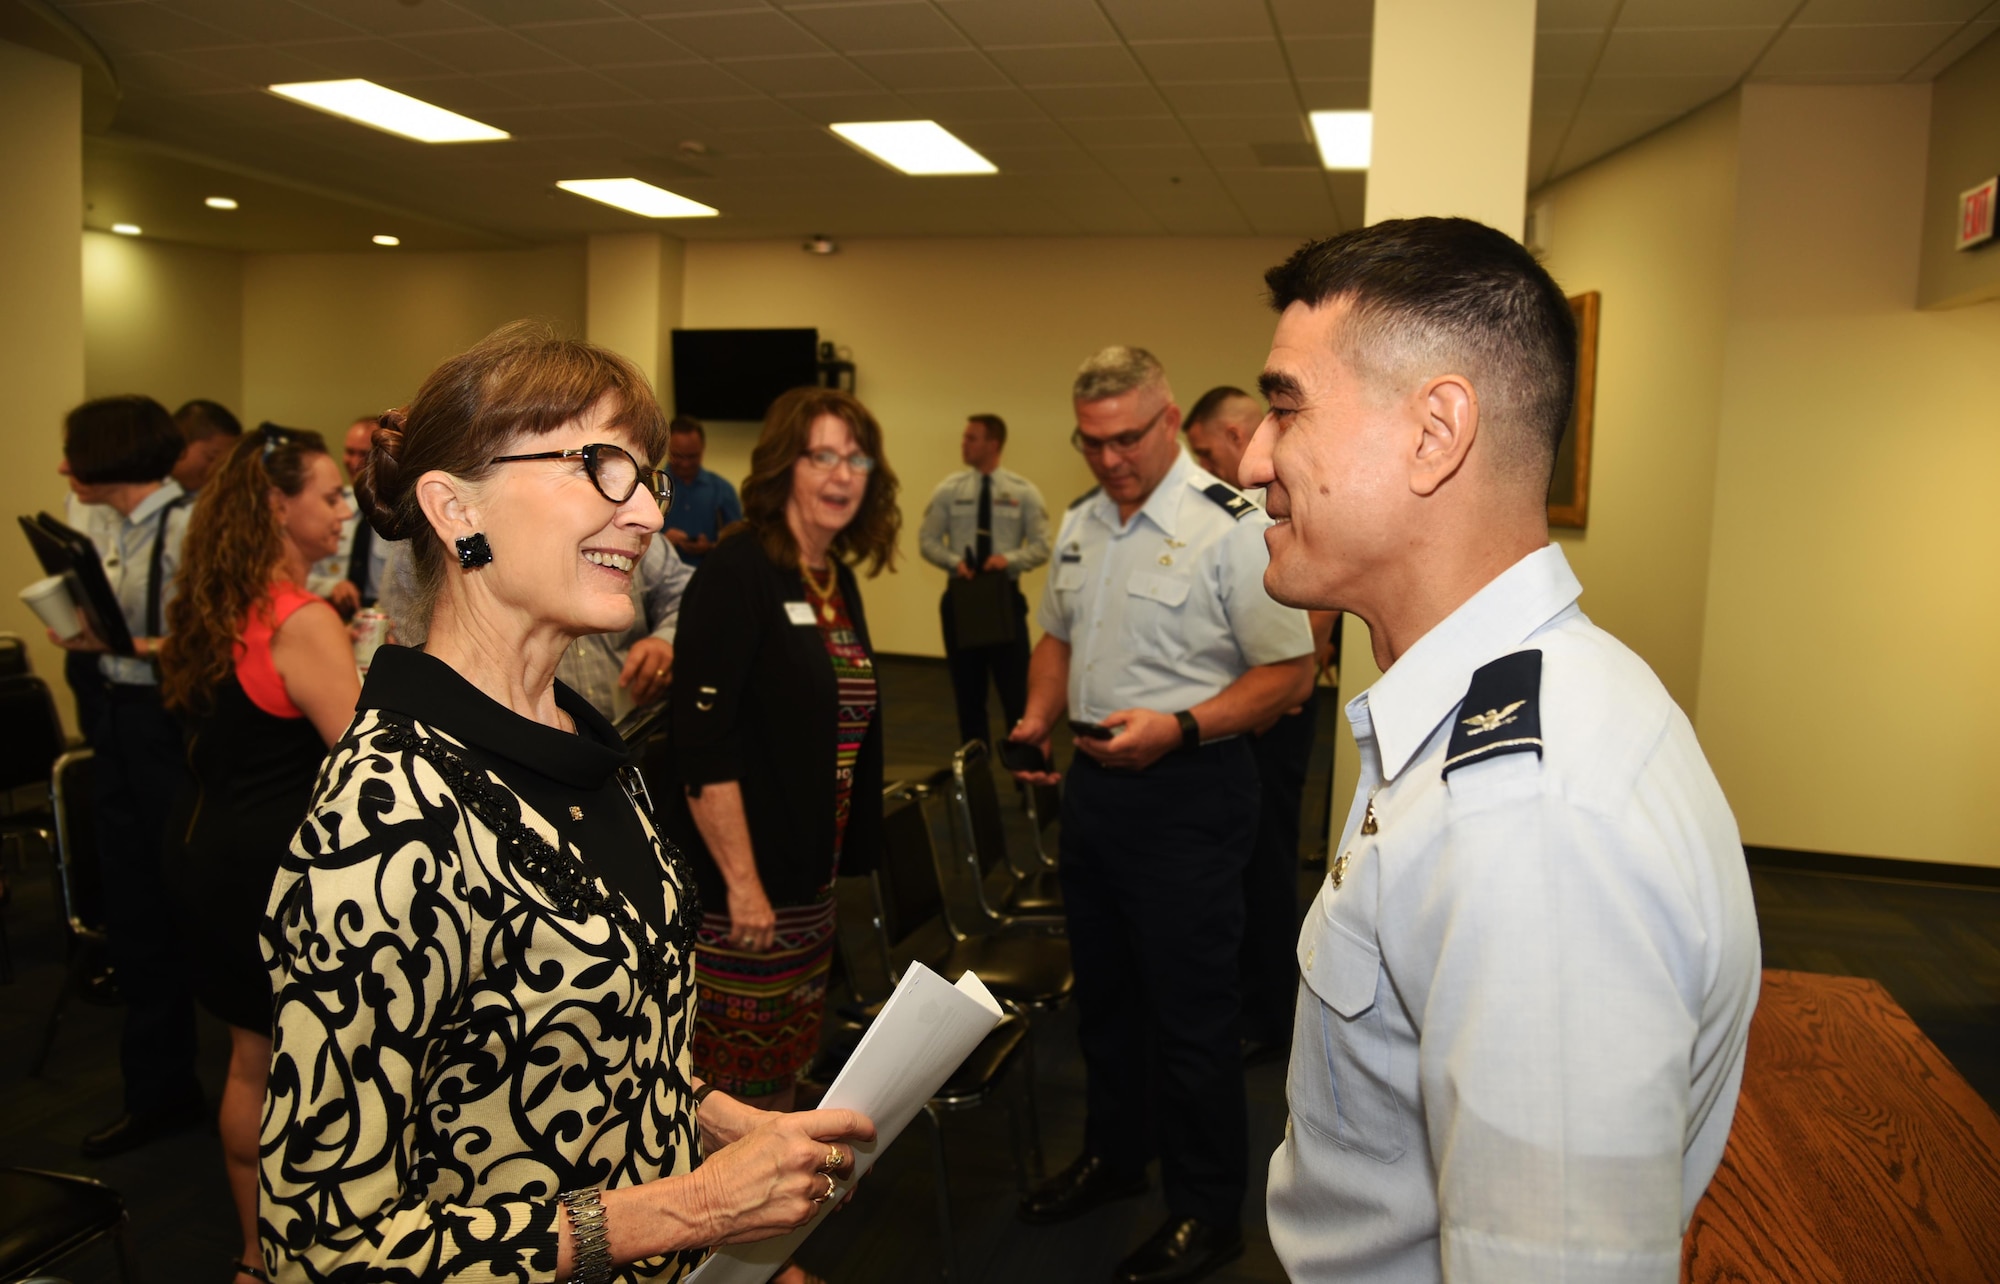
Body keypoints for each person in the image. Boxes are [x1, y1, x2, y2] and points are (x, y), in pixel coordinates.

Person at [260, 322, 874, 1283]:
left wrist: (713, 1118)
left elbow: (576, 1038)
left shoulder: (588, 745)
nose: (643, 517)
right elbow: (327, 1252)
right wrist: (693, 1206)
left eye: (646, 480)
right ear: (453, 507)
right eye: (598, 466)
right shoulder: (386, 815)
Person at [1242, 218, 1760, 1282]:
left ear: (1436, 432)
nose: (1253, 458)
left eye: (1284, 407)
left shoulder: (1530, 820)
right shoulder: (1486, 711)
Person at [1007, 347, 1314, 1284]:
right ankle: (1115, 1156)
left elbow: (1289, 676)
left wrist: (1179, 728)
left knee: (1190, 1017)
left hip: (1190, 794)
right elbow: (1057, 635)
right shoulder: (1081, 523)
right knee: (1106, 999)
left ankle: (1205, 1211)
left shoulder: (1228, 523)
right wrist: (1034, 719)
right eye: (1091, 442)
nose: (1109, 459)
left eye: (1127, 438)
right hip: (1097, 792)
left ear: (1169, 418)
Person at [665, 389, 895, 1178]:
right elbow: (701, 744)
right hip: (745, 898)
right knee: (735, 1101)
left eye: (854, 457)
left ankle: (760, 1251)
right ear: (785, 466)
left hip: (809, 880)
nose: (841, 474)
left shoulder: (833, 578)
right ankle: (719, 1251)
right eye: (821, 456)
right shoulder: (738, 571)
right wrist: (743, 884)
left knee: (784, 1080)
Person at [158, 424, 361, 1284]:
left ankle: (251, 1254)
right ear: (280, 506)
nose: (347, 509)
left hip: (205, 847)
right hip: (273, 868)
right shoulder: (303, 620)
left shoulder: (213, 603)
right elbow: (363, 756)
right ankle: (302, 1246)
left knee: (248, 1050)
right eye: (332, 494)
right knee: (299, 1060)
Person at [49, 395, 205, 1157]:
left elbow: (212, 638)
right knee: (134, 908)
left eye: (72, 451)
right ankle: (158, 1089)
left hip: (165, 727)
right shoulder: (98, 522)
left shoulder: (191, 526)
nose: (61, 467)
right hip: (111, 714)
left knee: (182, 901)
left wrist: (135, 645)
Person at [1184, 386, 1338, 1061]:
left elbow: (1319, 600)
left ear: (1239, 430)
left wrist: (1290, 672)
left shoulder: (1283, 496)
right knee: (1247, 863)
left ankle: (1269, 1016)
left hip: (1283, 710)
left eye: (1204, 448)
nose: (1203, 463)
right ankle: (1254, 1001)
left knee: (1268, 865)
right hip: (1257, 704)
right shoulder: (1231, 512)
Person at [918, 413, 1051, 750]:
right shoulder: (949, 491)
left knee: (1016, 696)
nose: (964, 444)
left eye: (971, 438)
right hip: (962, 599)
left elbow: (1042, 546)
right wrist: (954, 562)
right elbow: (927, 541)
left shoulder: (1024, 492)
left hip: (1002, 598)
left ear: (993, 444)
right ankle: (978, 782)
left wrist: (1008, 559)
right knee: (968, 696)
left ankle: (1028, 783)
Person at [557, 535, 691, 723]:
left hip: (630, 729)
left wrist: (666, 639)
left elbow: (689, 596)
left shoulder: (643, 540)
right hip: (537, 743)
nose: (653, 519)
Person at [307, 415, 393, 618]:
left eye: (363, 454)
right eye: (349, 452)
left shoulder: (400, 517)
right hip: (331, 616)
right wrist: (331, 586)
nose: (354, 462)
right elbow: (296, 573)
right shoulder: (331, 507)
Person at [661, 415, 742, 566]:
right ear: (667, 449)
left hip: (710, 579)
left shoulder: (723, 490)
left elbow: (739, 545)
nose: (685, 464)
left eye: (692, 456)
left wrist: (710, 548)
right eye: (678, 456)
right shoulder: (652, 487)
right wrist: (661, 543)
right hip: (655, 583)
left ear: (702, 449)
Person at [172, 398, 244, 494]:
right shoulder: (149, 491)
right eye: (211, 458)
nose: (219, 469)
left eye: (225, 462)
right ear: (181, 444)